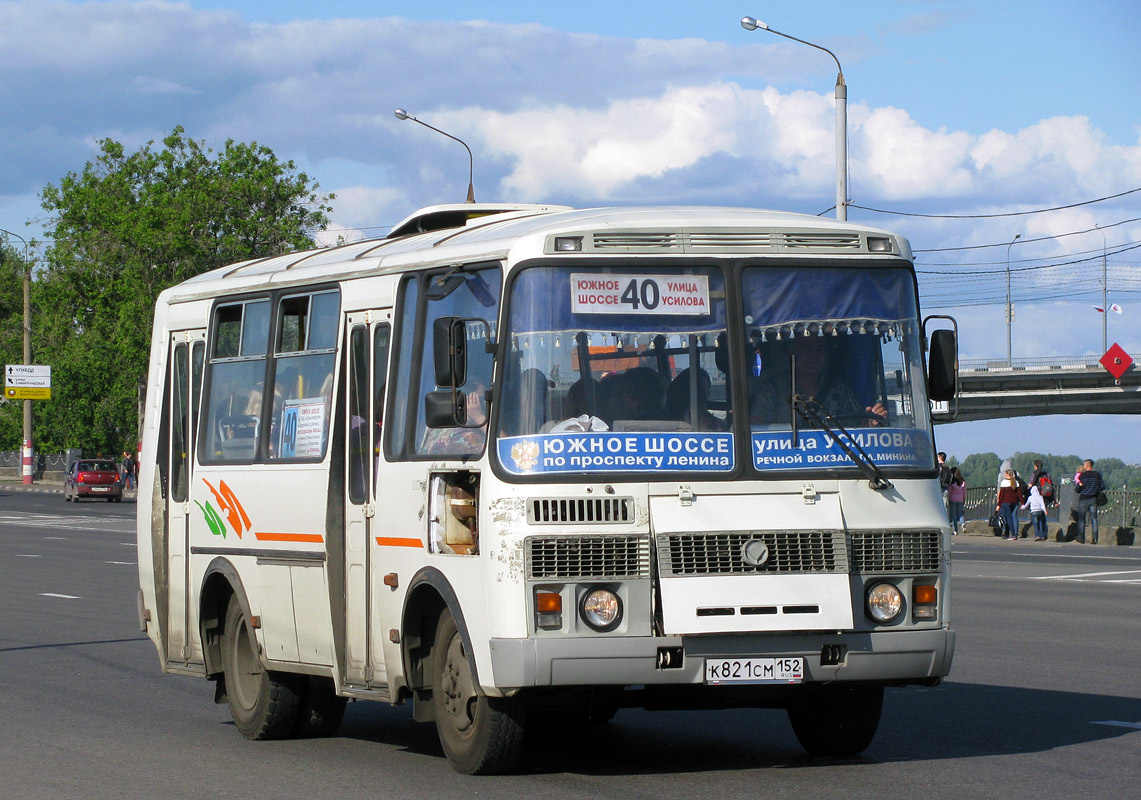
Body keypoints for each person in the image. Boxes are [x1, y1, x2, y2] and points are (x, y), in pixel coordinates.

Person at [751, 334, 887, 427]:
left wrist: (871, 421)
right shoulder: (772, 391)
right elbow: (758, 429)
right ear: (792, 352)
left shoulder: (839, 389)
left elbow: (859, 425)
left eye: (819, 350)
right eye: (807, 349)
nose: (813, 355)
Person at [1074, 459, 1105, 544]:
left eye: (1084, 465)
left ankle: (1081, 537)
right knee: (1094, 519)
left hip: (1083, 498)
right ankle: (1095, 539)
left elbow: (1077, 489)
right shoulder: (1097, 474)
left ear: (1087, 465)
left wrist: (1081, 487)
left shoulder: (1082, 476)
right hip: (1094, 499)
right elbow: (1102, 486)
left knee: (1081, 519)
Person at [995, 468, 1022, 540]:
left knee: (1008, 518)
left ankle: (1011, 533)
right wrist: (1023, 502)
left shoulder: (1004, 482)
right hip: (1014, 502)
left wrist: (998, 504)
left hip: (1005, 502)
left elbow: (1001, 495)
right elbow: (1019, 494)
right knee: (1014, 518)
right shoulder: (1016, 482)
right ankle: (1015, 533)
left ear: (1007, 475)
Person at [947, 467, 966, 535]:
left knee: (953, 515)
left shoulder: (952, 482)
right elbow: (964, 492)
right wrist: (964, 499)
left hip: (952, 499)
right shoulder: (963, 482)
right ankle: (963, 523)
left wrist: (948, 499)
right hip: (960, 499)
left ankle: (955, 530)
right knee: (960, 514)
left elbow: (950, 491)